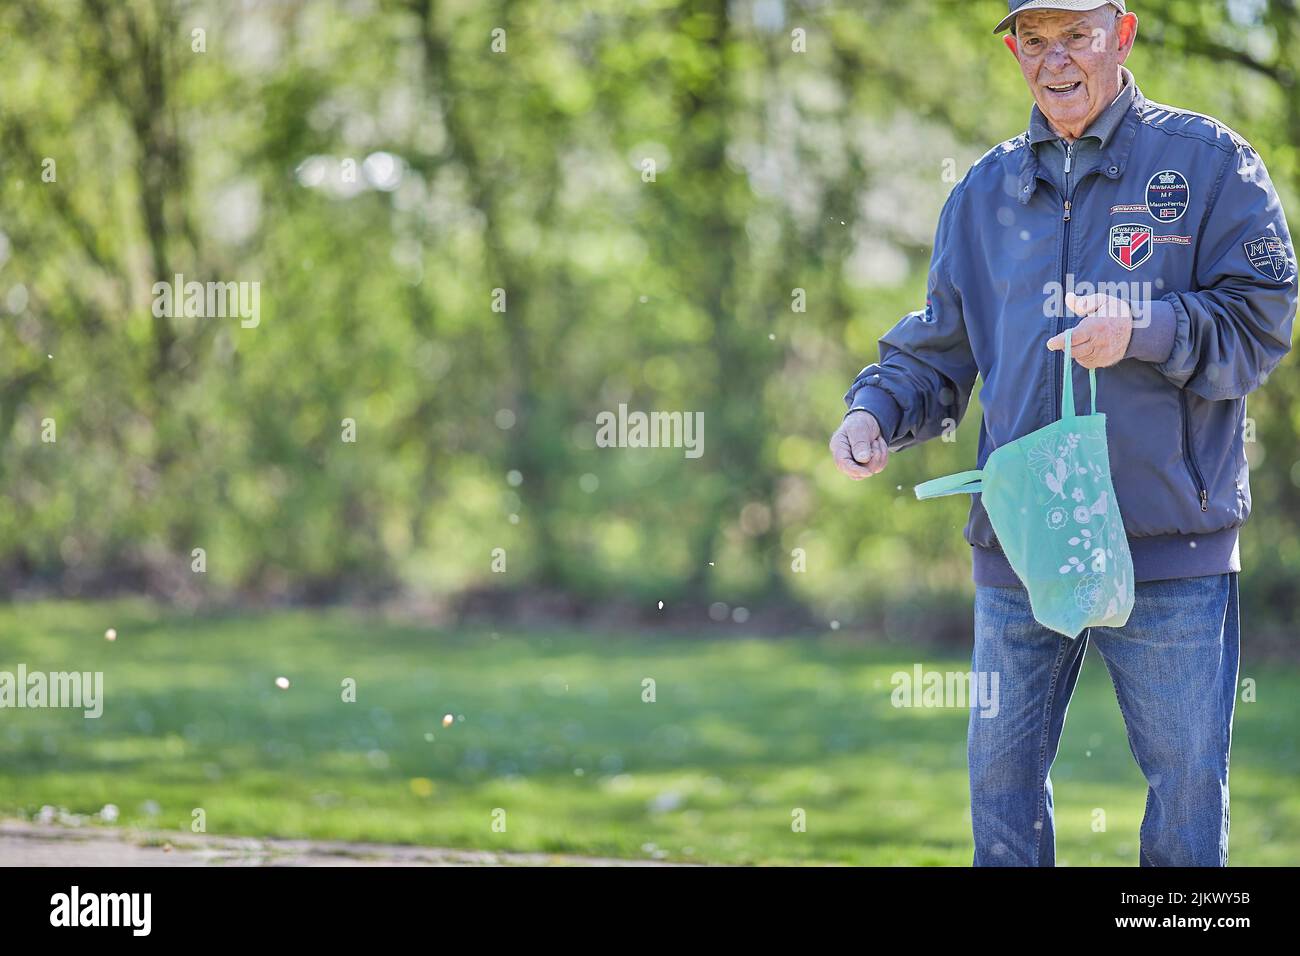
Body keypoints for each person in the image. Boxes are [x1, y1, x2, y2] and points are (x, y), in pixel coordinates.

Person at [829, 0, 1297, 866]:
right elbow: (939, 349)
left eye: (1076, 35)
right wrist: (874, 414)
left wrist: (1143, 330)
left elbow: (1262, 323)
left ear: (1119, 36)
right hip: (1019, 547)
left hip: (1169, 545)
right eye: (1033, 41)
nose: (1055, 61)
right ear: (1014, 52)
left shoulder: (1209, 165)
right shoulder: (982, 192)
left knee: (1187, 811)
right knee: (1001, 808)